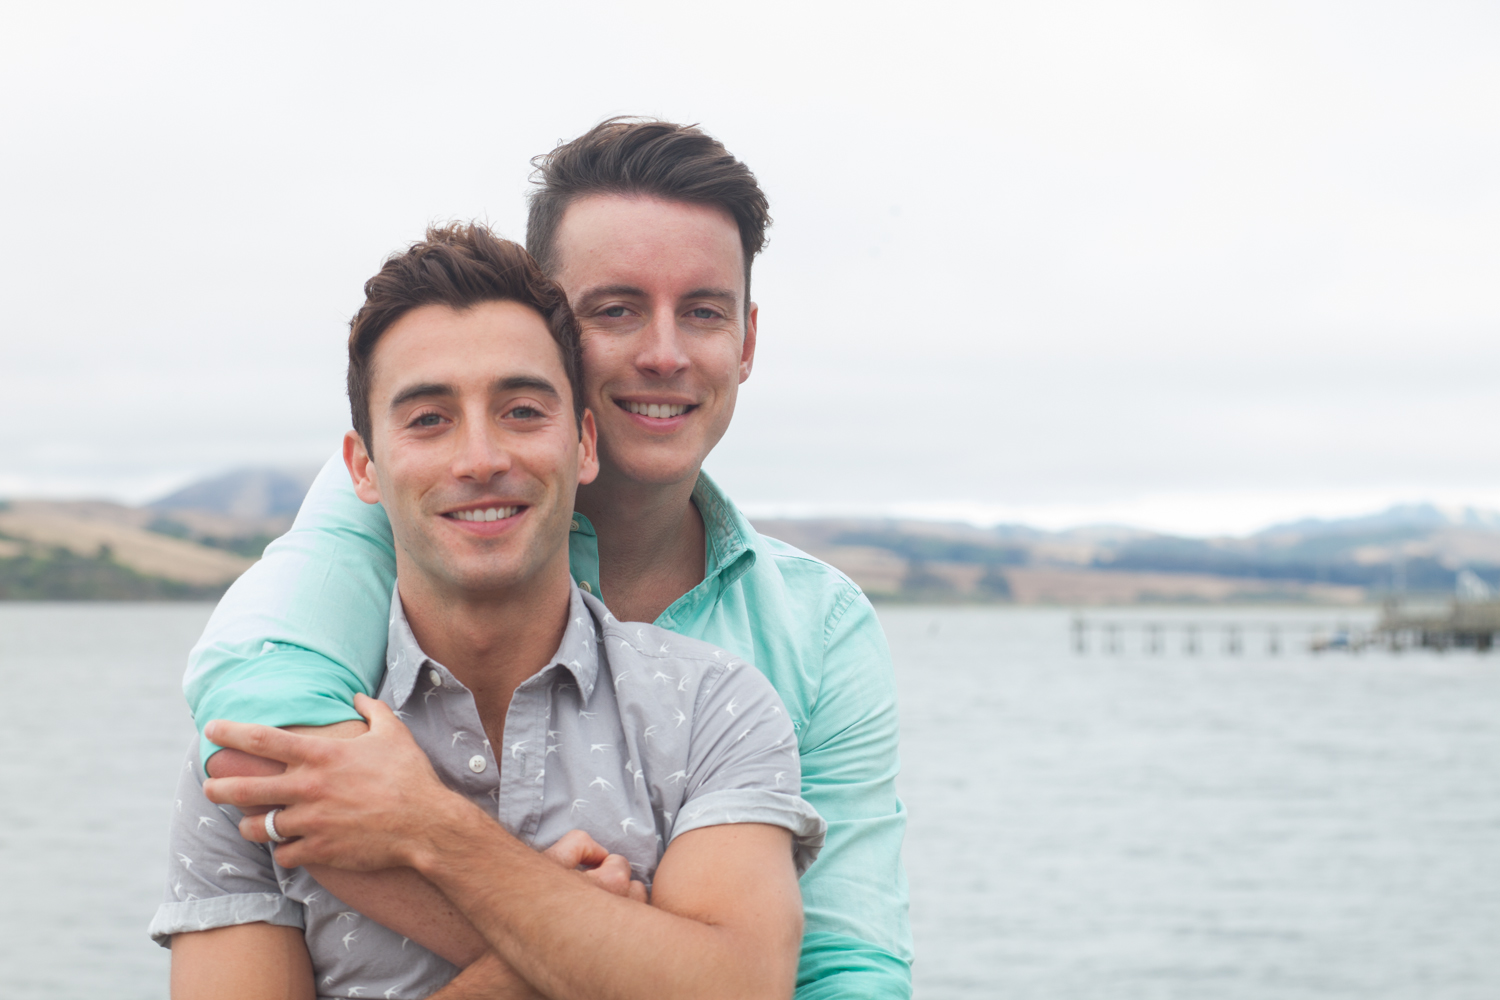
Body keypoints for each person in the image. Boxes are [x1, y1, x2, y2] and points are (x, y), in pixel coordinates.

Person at [184, 118, 912, 997]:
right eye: (616, 309)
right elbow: (255, 721)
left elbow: (844, 964)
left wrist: (432, 834)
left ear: (747, 341)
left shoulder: (803, 640)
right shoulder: (389, 513)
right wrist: (582, 946)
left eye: (705, 312)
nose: (664, 353)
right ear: (547, 321)